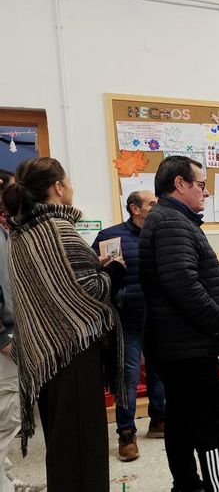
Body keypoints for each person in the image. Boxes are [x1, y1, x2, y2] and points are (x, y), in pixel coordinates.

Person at [3, 157, 125, 491]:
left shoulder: (20, 234)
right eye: (67, 181)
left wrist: (91, 266)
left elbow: (56, 284)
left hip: (46, 354)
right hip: (72, 352)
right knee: (84, 447)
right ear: (58, 188)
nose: (70, 186)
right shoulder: (60, 229)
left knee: (62, 445)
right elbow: (88, 290)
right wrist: (114, 269)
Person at [139, 156, 219, 492]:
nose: (205, 193)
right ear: (180, 184)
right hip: (188, 344)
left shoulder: (170, 219)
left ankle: (186, 484)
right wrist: (218, 320)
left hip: (176, 343)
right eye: (201, 185)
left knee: (180, 416)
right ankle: (215, 488)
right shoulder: (172, 223)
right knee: (212, 419)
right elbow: (183, 284)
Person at [92, 189, 164, 462]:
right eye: (151, 203)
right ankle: (126, 433)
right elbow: (94, 274)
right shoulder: (110, 237)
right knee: (128, 377)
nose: (156, 207)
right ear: (135, 208)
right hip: (126, 319)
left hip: (158, 317)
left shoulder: (160, 233)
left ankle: (158, 420)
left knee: (160, 373)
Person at [0, 170, 45, 492]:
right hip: (4, 339)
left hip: (14, 333)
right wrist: (2, 337)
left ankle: (4, 474)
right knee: (7, 415)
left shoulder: (8, 230)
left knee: (10, 414)